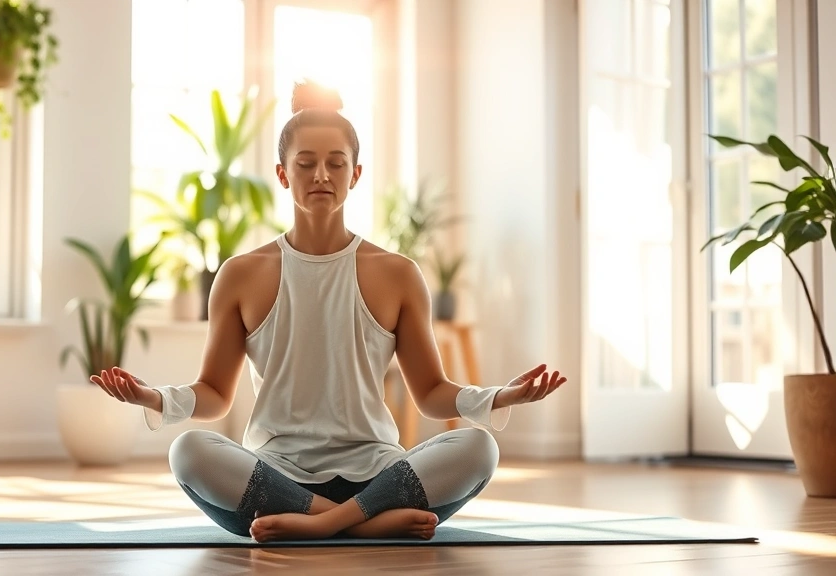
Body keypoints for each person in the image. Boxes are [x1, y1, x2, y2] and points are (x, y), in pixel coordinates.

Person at [90, 80, 567, 543]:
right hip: (279, 477)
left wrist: (499, 397)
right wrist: (156, 398)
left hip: (378, 471)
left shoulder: (398, 273)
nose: (321, 175)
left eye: (336, 164)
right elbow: (215, 393)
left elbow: (432, 393)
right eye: (306, 163)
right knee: (188, 451)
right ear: (283, 174)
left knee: (479, 447)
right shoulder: (240, 274)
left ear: (355, 174)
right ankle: (361, 524)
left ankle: (319, 525)